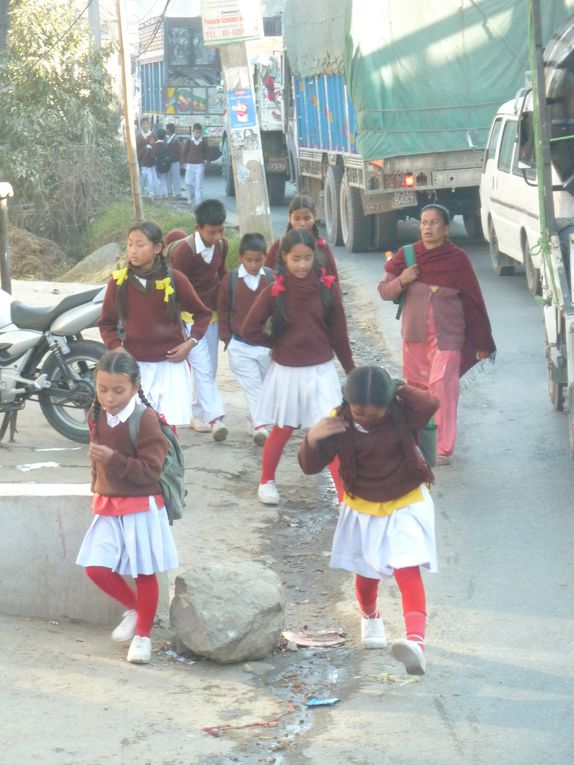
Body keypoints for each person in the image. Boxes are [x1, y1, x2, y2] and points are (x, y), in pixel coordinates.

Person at [298, 365, 439, 676]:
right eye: (359, 412)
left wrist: (397, 387)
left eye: (373, 414)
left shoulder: (402, 412)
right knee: (366, 572)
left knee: (408, 567)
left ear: (388, 404)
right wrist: (311, 438)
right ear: (347, 404)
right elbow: (309, 467)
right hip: (362, 507)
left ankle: (416, 642)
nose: (365, 418)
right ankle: (370, 616)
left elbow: (430, 404)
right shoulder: (337, 422)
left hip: (405, 501)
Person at [76, 350, 179, 665]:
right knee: (95, 567)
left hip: (141, 504)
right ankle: (137, 609)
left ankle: (143, 636)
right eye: (102, 388)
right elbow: (98, 459)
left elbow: (150, 471)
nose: (109, 397)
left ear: (135, 387)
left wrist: (113, 460)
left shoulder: (145, 420)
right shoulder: (95, 413)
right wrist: (98, 485)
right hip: (109, 502)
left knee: (144, 571)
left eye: (118, 390)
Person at [241, 228, 355, 505]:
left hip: (321, 371)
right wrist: (276, 344)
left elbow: (340, 335)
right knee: (282, 429)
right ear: (284, 258)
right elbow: (248, 329)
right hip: (287, 373)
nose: (302, 264)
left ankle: (343, 497)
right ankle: (266, 481)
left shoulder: (328, 289)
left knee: (330, 430)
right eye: (295, 259)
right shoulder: (275, 291)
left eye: (307, 258)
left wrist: (352, 372)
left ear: (315, 256)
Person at [378, 204, 496, 465]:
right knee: (418, 391)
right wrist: (404, 279)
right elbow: (385, 291)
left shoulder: (457, 259)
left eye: (433, 222)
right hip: (414, 336)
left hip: (449, 336)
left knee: (442, 386)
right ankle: (420, 441)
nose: (428, 228)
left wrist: (480, 339)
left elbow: (474, 300)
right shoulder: (406, 256)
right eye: (423, 222)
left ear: (445, 227)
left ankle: (443, 447)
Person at [98, 221, 211, 426]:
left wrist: (190, 343)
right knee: (137, 426)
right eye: (130, 244)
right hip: (135, 366)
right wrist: (116, 347)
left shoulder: (176, 280)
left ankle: (168, 458)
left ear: (157, 248)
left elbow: (202, 314)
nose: (133, 250)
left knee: (167, 428)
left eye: (140, 245)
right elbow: (106, 323)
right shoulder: (119, 282)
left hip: (171, 366)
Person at [169, 199, 229, 440]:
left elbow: (221, 275)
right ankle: (216, 418)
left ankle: (195, 412)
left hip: (212, 316)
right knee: (202, 367)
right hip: (189, 317)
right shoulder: (185, 251)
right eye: (211, 232)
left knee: (210, 368)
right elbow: (174, 286)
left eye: (220, 231)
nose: (216, 236)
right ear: (198, 228)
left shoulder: (222, 246)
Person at [218, 233, 274, 445]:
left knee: (267, 386)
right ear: (241, 257)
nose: (253, 264)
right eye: (248, 260)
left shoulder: (271, 279)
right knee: (253, 386)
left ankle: (254, 420)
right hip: (239, 345)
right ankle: (261, 426)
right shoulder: (230, 280)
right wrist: (228, 341)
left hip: (265, 346)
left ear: (264, 257)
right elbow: (222, 311)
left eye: (258, 260)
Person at [265, 195, 339, 278]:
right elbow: (265, 276)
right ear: (290, 217)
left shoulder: (322, 247)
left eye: (306, 218)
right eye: (297, 219)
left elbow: (333, 281)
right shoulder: (279, 246)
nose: (302, 224)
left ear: (314, 217)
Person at [183, 123, 209, 208]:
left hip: (199, 165)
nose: (198, 134)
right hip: (190, 164)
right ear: (193, 132)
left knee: (199, 185)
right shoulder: (189, 141)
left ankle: (199, 203)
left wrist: (206, 160)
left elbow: (207, 152)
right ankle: (191, 196)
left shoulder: (203, 141)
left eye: (200, 133)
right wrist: (184, 162)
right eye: (197, 132)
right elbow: (184, 152)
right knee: (188, 182)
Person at [151, 127, 170, 198]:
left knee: (159, 179)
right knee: (164, 179)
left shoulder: (155, 145)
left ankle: (162, 194)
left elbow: (153, 155)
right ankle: (166, 193)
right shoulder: (166, 144)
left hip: (158, 165)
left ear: (157, 136)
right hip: (166, 165)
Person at [165, 123, 183, 197]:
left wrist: (171, 158)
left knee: (176, 177)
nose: (165, 130)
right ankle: (170, 192)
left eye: (166, 129)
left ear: (169, 130)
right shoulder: (168, 138)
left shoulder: (175, 140)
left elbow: (179, 152)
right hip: (170, 162)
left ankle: (178, 193)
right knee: (169, 177)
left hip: (175, 162)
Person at [138, 130, 157, 197]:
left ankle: (150, 194)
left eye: (153, 140)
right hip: (145, 166)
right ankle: (141, 193)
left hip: (149, 166)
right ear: (148, 141)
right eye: (151, 140)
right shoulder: (146, 148)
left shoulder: (153, 148)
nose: (152, 141)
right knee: (143, 181)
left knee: (150, 180)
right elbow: (140, 156)